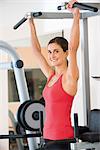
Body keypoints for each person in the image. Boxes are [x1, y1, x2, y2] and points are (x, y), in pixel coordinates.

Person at [27, 0, 80, 149]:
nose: (51, 55)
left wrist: (76, 16)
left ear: (65, 53)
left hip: (61, 139)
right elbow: (37, 52)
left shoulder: (69, 77)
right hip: (47, 136)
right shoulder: (51, 75)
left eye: (56, 51)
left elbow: (74, 47)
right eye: (50, 52)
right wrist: (31, 23)